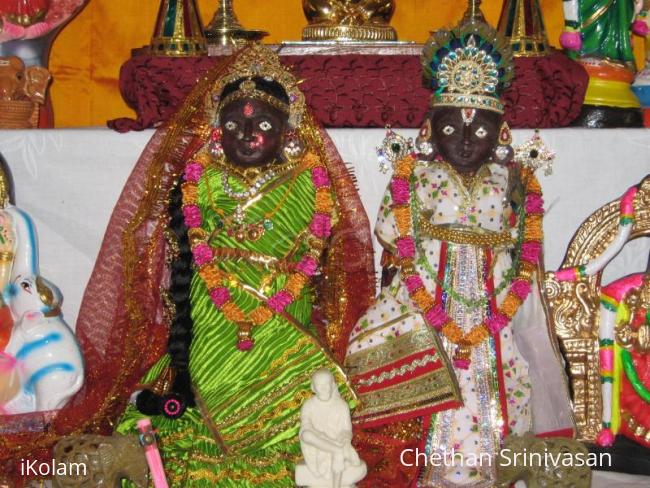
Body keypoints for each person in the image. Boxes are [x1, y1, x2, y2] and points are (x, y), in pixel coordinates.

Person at [111, 43, 375, 487]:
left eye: (264, 124)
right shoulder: (202, 177)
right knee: (205, 366)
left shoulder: (309, 179)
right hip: (214, 305)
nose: (248, 134)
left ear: (288, 133)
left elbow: (315, 255)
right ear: (216, 132)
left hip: (282, 304)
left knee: (300, 383)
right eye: (234, 124)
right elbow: (190, 247)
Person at [346, 3, 574, 487]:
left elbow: (522, 240)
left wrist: (511, 290)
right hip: (429, 288)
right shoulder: (418, 175)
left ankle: (496, 465)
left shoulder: (510, 178)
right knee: (431, 366)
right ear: (429, 131)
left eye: (480, 129)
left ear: (501, 133)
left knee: (504, 365)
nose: (467, 140)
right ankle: (431, 466)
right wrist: (420, 281)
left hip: (495, 297)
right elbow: (395, 231)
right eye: (451, 128)